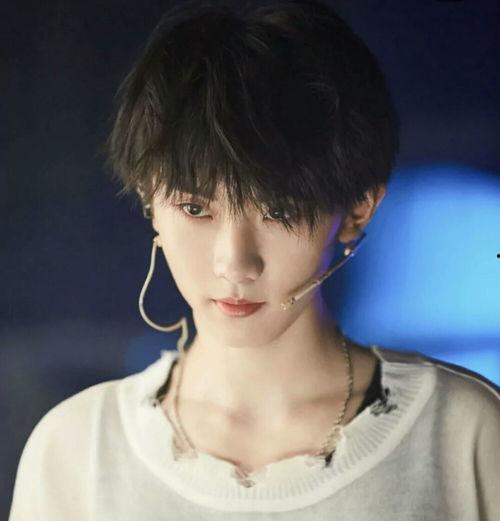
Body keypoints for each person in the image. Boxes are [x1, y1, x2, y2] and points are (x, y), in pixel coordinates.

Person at [8, 0, 499, 519]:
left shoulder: (460, 433)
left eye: (279, 211)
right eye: (195, 209)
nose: (235, 263)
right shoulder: (79, 448)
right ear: (150, 200)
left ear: (358, 208)